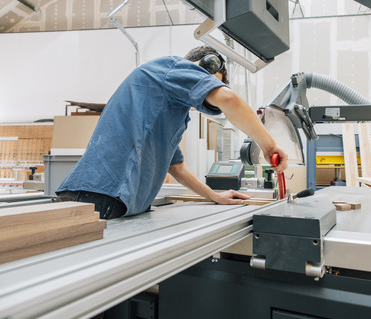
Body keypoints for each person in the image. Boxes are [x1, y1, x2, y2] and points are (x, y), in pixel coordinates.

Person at [55, 45, 288, 219]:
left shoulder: (166, 107)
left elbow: (176, 166)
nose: (207, 93)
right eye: (206, 82)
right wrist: (269, 146)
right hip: (98, 194)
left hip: (115, 200)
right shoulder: (172, 66)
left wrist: (214, 195)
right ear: (198, 65)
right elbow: (228, 99)